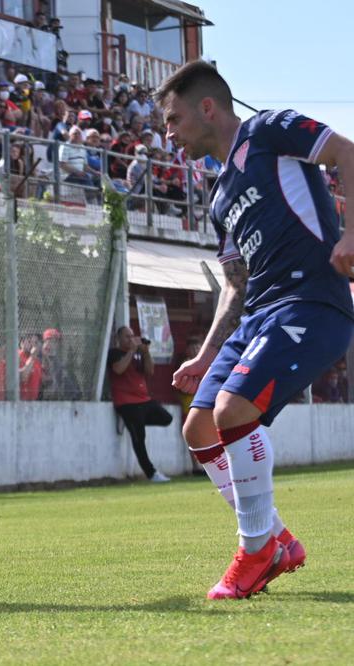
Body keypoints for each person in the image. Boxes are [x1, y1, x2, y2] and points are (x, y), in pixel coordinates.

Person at [162, 60, 354, 599]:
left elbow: (347, 152)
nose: (168, 133)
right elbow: (234, 284)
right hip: (259, 313)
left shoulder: (268, 131)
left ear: (207, 108)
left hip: (310, 302)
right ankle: (276, 537)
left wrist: (351, 235)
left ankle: (255, 549)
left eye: (174, 119)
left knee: (233, 412)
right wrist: (205, 355)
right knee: (198, 428)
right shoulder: (220, 197)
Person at [108, 326, 173, 482]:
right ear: (119, 339)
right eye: (126, 337)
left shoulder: (138, 354)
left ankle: (133, 423)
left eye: (132, 336)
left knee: (166, 418)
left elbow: (150, 371)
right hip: (127, 402)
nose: (130, 339)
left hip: (144, 400)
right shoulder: (114, 353)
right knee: (139, 438)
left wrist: (145, 352)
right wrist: (131, 351)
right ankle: (151, 474)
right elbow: (118, 370)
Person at [39, 328, 79, 400]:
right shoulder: (41, 354)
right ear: (48, 341)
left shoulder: (54, 358)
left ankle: (73, 394)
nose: (57, 343)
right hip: (44, 394)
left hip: (55, 392)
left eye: (57, 341)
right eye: (55, 340)